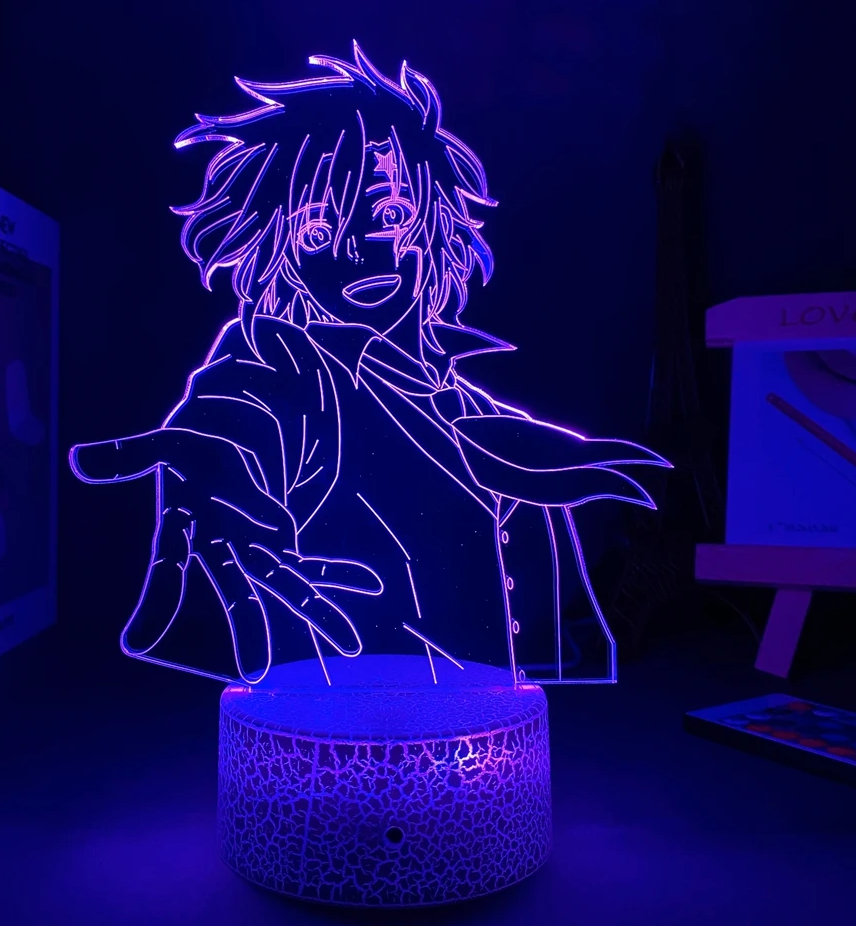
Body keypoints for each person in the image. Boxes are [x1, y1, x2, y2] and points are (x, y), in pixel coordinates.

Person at [70, 43, 670, 687]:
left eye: (387, 213)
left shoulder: (477, 409)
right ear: (282, 254)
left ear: (434, 219)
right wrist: (215, 471)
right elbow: (241, 410)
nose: (358, 252)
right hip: (348, 737)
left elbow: (545, 640)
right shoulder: (290, 369)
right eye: (317, 232)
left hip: (501, 739)